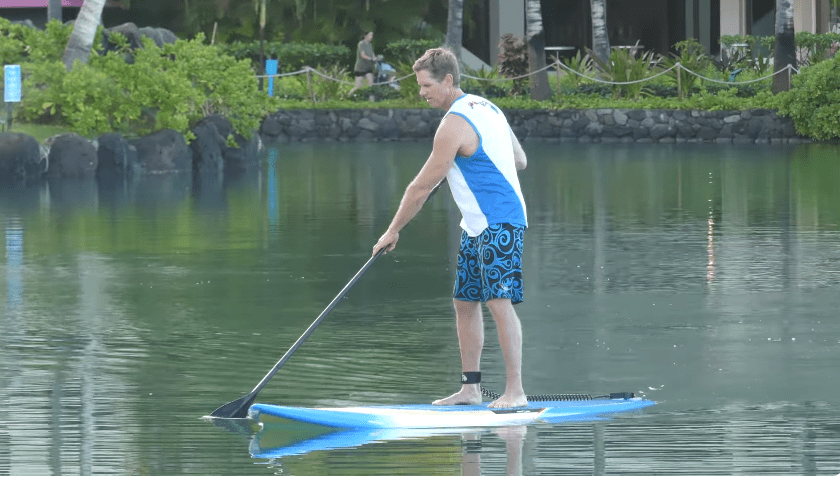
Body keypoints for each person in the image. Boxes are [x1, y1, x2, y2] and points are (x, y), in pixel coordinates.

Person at [372, 47, 528, 409]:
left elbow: (420, 187)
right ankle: (471, 389)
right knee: (464, 302)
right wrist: (465, 161)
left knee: (498, 301)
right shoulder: (489, 107)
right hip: (476, 224)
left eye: (426, 85)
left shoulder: (453, 123)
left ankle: (515, 392)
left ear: (447, 80)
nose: (421, 92)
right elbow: (519, 159)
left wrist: (392, 230)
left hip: (500, 220)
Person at [348, 31, 380, 100]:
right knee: (359, 86)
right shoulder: (361, 44)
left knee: (371, 85)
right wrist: (371, 59)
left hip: (368, 67)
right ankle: (348, 96)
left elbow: (372, 54)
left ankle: (371, 101)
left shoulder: (370, 44)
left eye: (372, 35)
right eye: (370, 35)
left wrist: (376, 59)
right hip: (360, 67)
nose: (371, 37)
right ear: (365, 36)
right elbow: (363, 55)